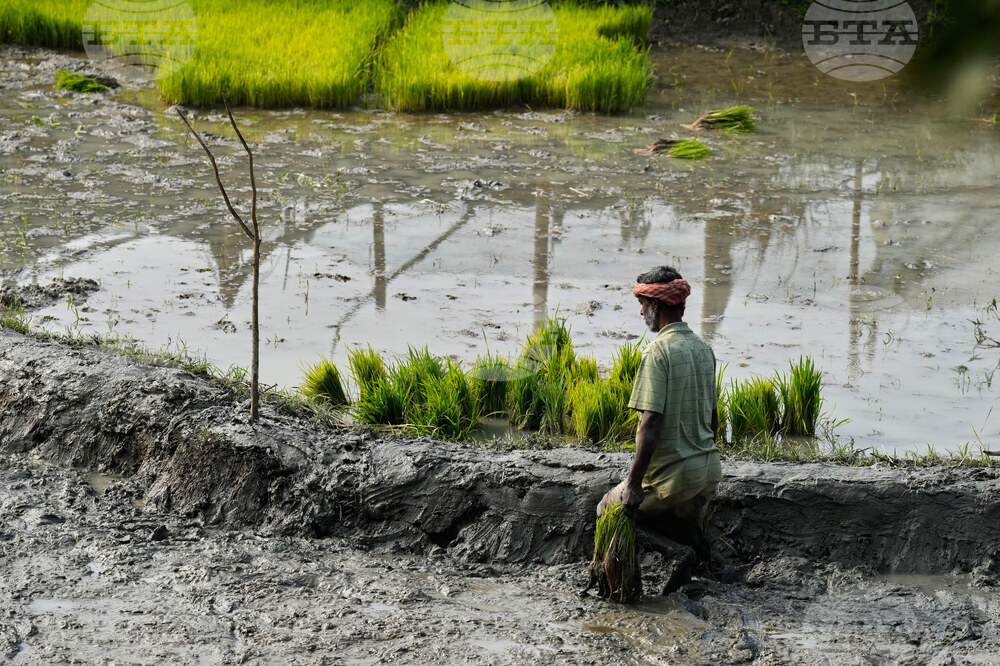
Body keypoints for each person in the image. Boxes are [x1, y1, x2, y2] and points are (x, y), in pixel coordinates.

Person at [597, 265, 721, 572]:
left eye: (642, 304)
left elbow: (649, 423)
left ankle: (631, 574)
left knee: (607, 509)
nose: (641, 312)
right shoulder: (704, 349)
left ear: (656, 304)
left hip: (673, 479)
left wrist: (635, 484)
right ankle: (702, 558)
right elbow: (713, 419)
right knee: (679, 522)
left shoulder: (657, 352)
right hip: (707, 471)